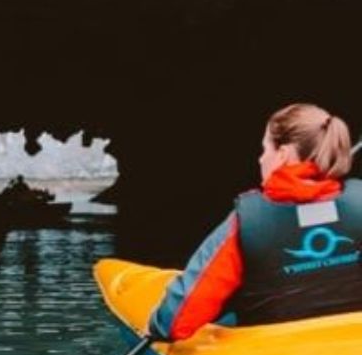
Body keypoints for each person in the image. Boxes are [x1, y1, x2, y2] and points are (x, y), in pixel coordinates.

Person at [149, 103, 362, 341]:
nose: (261, 159)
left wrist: (157, 326)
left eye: (265, 150)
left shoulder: (247, 222)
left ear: (282, 155)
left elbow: (175, 323)